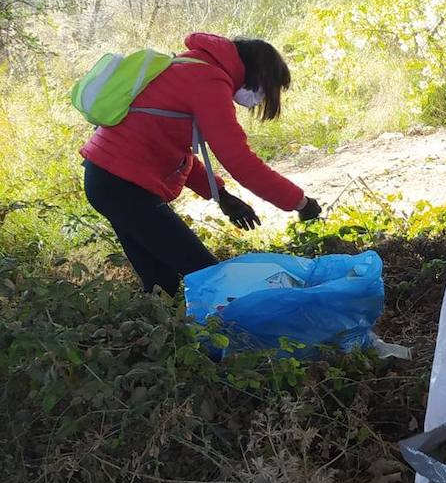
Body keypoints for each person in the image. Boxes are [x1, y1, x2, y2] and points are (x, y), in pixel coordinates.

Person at [81, 32, 321, 294]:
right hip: (123, 187)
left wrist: (221, 194)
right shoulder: (208, 80)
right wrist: (300, 202)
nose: (261, 99)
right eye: (266, 90)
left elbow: (171, 148)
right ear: (259, 74)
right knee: (208, 274)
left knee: (162, 283)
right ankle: (242, 333)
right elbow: (240, 161)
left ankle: (167, 332)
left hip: (106, 180)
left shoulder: (189, 67)